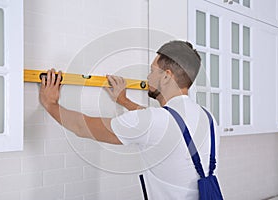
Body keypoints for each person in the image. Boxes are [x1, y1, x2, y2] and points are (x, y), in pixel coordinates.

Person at [39, 40, 220, 199]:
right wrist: (124, 101)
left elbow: (82, 126)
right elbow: (165, 125)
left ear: (166, 76)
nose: (148, 77)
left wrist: (50, 104)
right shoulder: (207, 117)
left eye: (152, 71)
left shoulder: (154, 121)